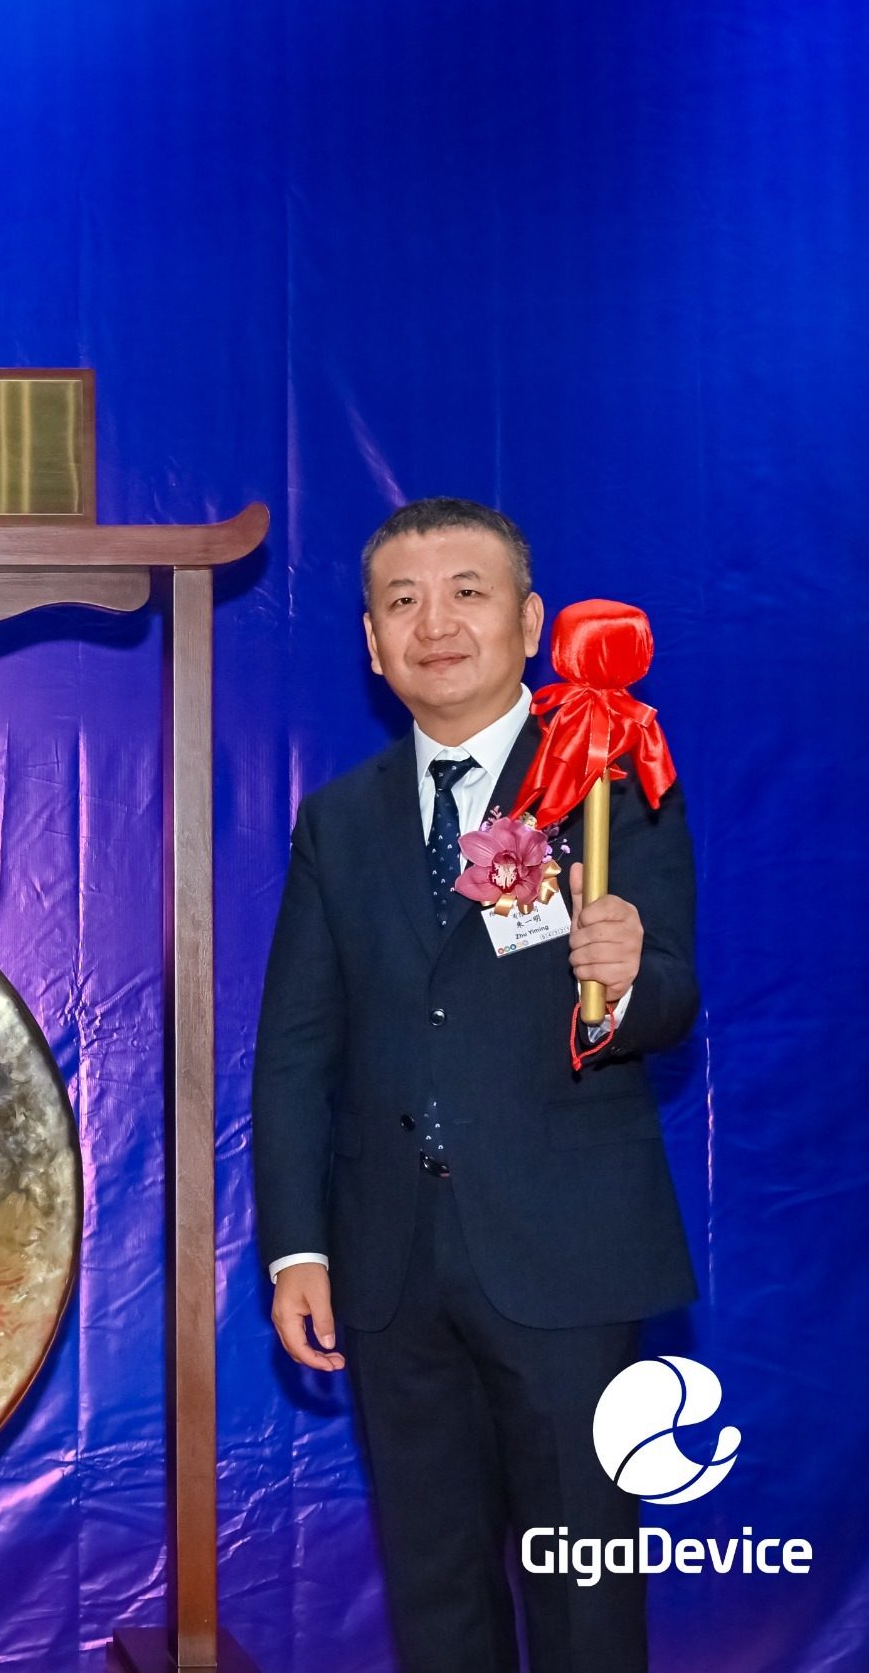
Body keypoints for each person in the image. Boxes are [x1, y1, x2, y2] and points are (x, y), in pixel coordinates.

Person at [250, 497, 697, 1673]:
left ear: (529, 620)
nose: (433, 623)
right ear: (368, 640)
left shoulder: (607, 781)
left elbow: (670, 993)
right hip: (388, 1263)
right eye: (402, 601)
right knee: (436, 1589)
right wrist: (298, 1244)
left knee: (581, 1586)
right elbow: (298, 1046)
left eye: (466, 592)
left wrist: (626, 981)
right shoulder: (336, 821)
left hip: (563, 1252)